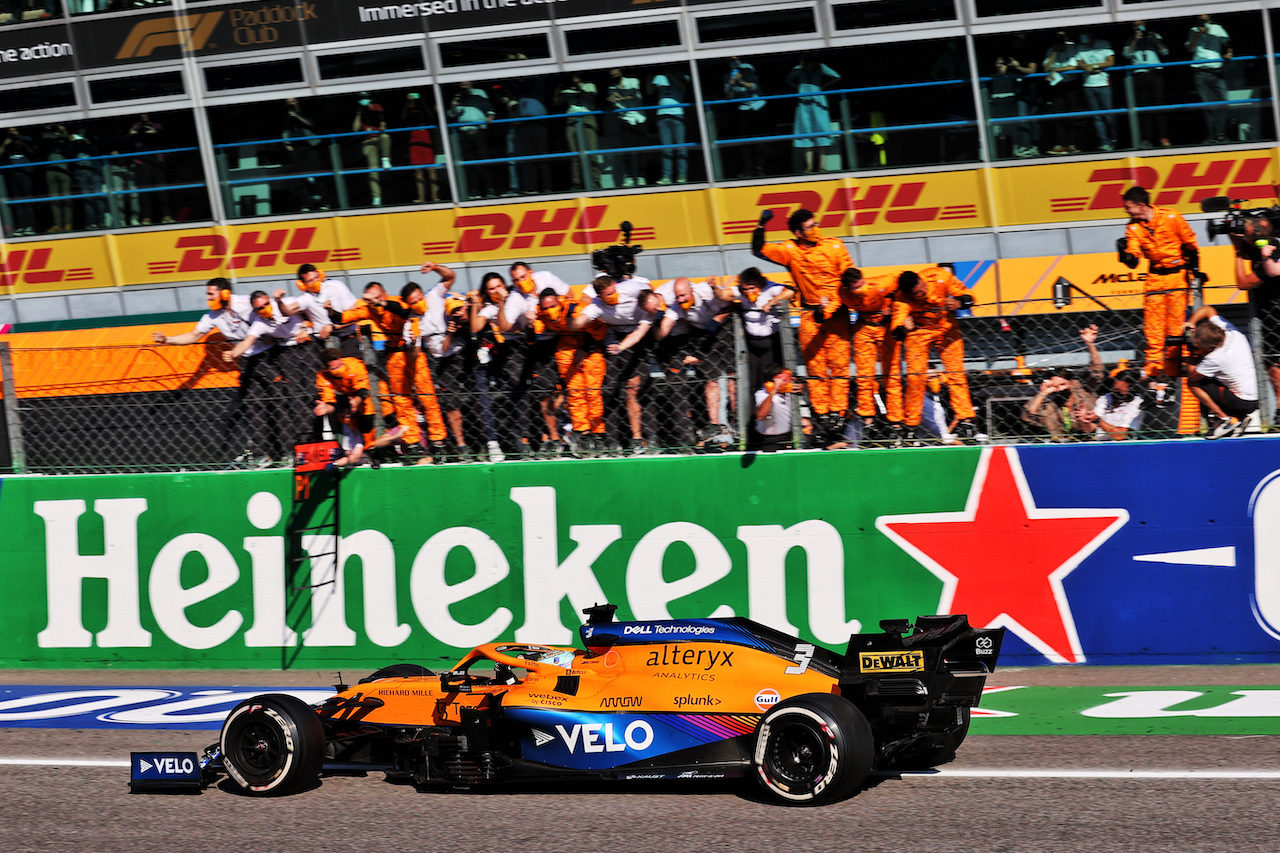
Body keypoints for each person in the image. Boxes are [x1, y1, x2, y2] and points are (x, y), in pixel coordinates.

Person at [753, 207, 854, 446]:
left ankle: (839, 412)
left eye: (816, 223)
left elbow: (849, 276)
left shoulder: (835, 245)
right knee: (815, 367)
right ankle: (822, 413)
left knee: (839, 366)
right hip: (810, 314)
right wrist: (760, 226)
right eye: (810, 227)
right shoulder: (790, 249)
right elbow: (758, 250)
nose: (815, 229)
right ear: (799, 232)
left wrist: (834, 305)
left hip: (837, 313)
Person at [328, 279, 447, 463]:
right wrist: (329, 310)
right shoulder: (368, 309)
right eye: (370, 300)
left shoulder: (397, 301)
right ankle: (412, 442)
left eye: (377, 298)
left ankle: (438, 441)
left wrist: (381, 303)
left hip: (413, 353)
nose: (373, 303)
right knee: (401, 400)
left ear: (383, 295)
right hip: (393, 357)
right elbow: (341, 318)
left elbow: (404, 311)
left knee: (427, 396)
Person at [890, 267, 981, 442]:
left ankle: (965, 419)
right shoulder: (901, 299)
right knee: (915, 378)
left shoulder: (939, 276)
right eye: (917, 293)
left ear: (921, 279)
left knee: (955, 372)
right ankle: (911, 423)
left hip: (945, 327)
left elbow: (969, 295)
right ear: (909, 294)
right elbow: (896, 330)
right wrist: (904, 328)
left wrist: (960, 303)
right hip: (919, 332)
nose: (923, 291)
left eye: (922, 287)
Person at [1118, 185, 1200, 380]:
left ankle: (1170, 375)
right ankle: (1154, 374)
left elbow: (1190, 245)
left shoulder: (1172, 217)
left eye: (1128, 207)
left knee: (1174, 329)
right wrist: (1123, 254)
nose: (1126, 211)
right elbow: (1134, 260)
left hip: (1178, 276)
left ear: (1140, 205)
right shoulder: (1133, 227)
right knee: (1153, 330)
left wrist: (1196, 271)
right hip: (1155, 278)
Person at [572, 274, 660, 453]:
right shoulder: (597, 306)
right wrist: (572, 318)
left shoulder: (632, 288)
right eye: (608, 295)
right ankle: (614, 440)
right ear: (600, 296)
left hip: (639, 334)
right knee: (611, 389)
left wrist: (654, 305)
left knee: (637, 389)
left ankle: (648, 437)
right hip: (614, 339)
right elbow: (578, 322)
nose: (613, 296)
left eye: (613, 291)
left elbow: (641, 329)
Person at [538, 286, 607, 456]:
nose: (549, 311)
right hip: (566, 348)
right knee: (575, 393)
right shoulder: (541, 314)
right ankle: (581, 431)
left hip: (589, 348)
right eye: (545, 308)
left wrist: (584, 350)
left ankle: (598, 432)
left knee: (592, 393)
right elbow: (536, 331)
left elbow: (600, 331)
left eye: (552, 306)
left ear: (559, 301)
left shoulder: (575, 309)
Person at [837, 267, 903, 441]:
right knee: (864, 377)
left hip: (886, 328)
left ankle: (896, 423)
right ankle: (868, 421)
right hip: (863, 328)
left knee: (892, 375)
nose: (861, 290)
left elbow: (904, 279)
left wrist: (893, 301)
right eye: (856, 288)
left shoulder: (882, 283)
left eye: (861, 284)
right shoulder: (842, 293)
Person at [1233, 214, 1280, 425]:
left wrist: (1237, 253)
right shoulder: (1274, 245)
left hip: (1275, 316)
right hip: (1271, 317)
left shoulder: (1269, 256)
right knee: (1273, 361)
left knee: (1274, 361)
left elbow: (1243, 282)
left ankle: (1279, 409)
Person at [1022, 325, 1105, 441]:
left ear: (1070, 382)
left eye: (1062, 385)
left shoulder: (1084, 390)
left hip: (1093, 439)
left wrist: (1090, 344)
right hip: (1061, 443)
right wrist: (1043, 393)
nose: (1060, 390)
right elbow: (1028, 415)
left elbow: (1097, 371)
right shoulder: (1050, 403)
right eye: (1055, 387)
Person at [1184, 305, 1258, 438]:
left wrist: (1191, 358)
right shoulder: (1231, 332)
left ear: (1209, 347)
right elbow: (1208, 309)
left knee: (1194, 384)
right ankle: (1240, 419)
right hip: (1253, 397)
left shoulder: (1215, 358)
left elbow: (1192, 377)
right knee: (1212, 378)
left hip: (1241, 401)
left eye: (1197, 346)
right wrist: (1191, 323)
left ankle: (1224, 419)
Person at [734, 267, 794, 391]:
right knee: (752, 379)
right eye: (745, 289)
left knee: (768, 376)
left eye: (752, 288)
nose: (749, 291)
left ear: (760, 284)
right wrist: (714, 288)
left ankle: (772, 404)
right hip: (752, 343)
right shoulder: (741, 292)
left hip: (771, 341)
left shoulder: (770, 288)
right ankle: (755, 407)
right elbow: (723, 295)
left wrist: (771, 302)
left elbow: (790, 292)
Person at [787, 56, 840, 174]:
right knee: (806, 133)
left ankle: (822, 166)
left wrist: (823, 87)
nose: (811, 65)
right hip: (803, 104)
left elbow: (837, 76)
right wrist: (799, 88)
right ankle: (809, 167)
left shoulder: (821, 67)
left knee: (822, 132)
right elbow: (789, 80)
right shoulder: (797, 69)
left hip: (818, 102)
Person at [1124, 21, 1171, 149]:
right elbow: (1126, 54)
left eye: (1141, 25)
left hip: (1155, 73)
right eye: (1136, 26)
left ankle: (1163, 137)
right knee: (1144, 108)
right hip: (1139, 75)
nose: (1139, 28)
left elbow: (1165, 52)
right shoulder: (1130, 39)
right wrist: (1135, 40)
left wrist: (1155, 40)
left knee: (1159, 106)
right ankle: (1147, 139)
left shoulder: (1155, 36)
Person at [1185, 14, 1232, 144]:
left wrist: (1229, 52)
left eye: (1205, 20)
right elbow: (1189, 48)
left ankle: (1220, 134)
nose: (1203, 23)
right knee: (1206, 105)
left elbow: (1227, 42)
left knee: (1224, 102)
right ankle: (1212, 135)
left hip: (1216, 71)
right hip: (1200, 72)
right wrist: (1198, 35)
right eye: (1200, 20)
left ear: (1210, 20)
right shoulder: (1193, 30)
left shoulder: (1217, 28)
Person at [449, 81, 496, 200]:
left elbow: (489, 108)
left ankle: (490, 189)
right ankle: (474, 191)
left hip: (478, 132)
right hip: (464, 134)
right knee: (470, 164)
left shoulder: (479, 93)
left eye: (467, 84)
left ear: (471, 84)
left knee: (484, 162)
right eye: (462, 85)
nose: (465, 86)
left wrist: (490, 116)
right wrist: (453, 105)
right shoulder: (458, 96)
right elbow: (452, 115)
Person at [282, 97, 329, 213]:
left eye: (292, 101)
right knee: (301, 177)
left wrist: (296, 115)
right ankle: (306, 204)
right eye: (288, 102)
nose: (290, 103)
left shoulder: (305, 111)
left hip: (311, 146)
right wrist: (287, 144)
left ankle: (324, 202)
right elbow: (285, 131)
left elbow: (310, 123)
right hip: (297, 148)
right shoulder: (287, 116)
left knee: (316, 174)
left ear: (297, 101)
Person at [720, 57, 765, 177]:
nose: (734, 63)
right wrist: (730, 85)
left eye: (736, 60)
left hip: (757, 106)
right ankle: (748, 169)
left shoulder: (747, 68)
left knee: (760, 139)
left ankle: (759, 168)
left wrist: (742, 82)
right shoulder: (726, 76)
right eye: (731, 61)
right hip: (743, 109)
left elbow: (754, 87)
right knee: (744, 141)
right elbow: (729, 97)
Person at [556, 73, 601, 191]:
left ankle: (595, 180)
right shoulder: (567, 89)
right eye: (572, 77)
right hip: (571, 119)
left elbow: (592, 99)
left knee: (591, 150)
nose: (574, 79)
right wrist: (558, 89)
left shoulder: (589, 85)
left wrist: (579, 88)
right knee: (574, 153)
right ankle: (577, 182)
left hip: (587, 117)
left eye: (576, 77)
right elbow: (557, 102)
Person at [1074, 367, 1143, 440]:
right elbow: (1091, 429)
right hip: (1100, 442)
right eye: (1114, 389)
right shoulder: (1106, 398)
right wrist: (1084, 419)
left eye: (1119, 391)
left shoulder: (1138, 404)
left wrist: (1098, 421)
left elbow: (1121, 436)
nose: (1115, 394)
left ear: (1131, 390)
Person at [605, 67, 647, 189]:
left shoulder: (633, 80)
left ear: (620, 71)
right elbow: (615, 104)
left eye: (615, 71)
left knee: (642, 149)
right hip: (625, 119)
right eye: (611, 74)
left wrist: (620, 97)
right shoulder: (611, 88)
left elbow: (633, 95)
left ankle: (641, 176)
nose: (614, 74)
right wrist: (613, 101)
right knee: (628, 150)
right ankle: (629, 177)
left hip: (640, 118)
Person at [1042, 31, 1082, 156]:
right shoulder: (1051, 50)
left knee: (1073, 115)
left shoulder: (1073, 47)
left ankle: (1071, 144)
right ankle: (1060, 144)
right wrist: (1055, 52)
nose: (1060, 39)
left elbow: (1073, 67)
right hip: (1058, 86)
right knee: (1058, 115)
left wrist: (1056, 69)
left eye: (1062, 37)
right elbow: (1046, 68)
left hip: (1072, 85)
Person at [648, 67, 689, 186]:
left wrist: (670, 75)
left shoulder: (682, 74)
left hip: (677, 114)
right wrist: (649, 77)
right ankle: (667, 176)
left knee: (681, 147)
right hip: (662, 115)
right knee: (666, 148)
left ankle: (682, 175)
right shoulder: (659, 77)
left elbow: (682, 86)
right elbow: (650, 91)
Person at [1075, 32, 1115, 153]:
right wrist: (1085, 67)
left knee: (1109, 114)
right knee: (1097, 117)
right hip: (1088, 85)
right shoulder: (1080, 47)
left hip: (1103, 84)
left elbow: (1110, 61)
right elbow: (1079, 63)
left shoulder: (1104, 44)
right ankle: (1104, 141)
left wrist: (1094, 65)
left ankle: (1114, 138)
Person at [128, 113, 171, 225]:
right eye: (141, 114)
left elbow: (163, 139)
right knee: (145, 190)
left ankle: (166, 215)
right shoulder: (136, 126)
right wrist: (131, 134)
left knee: (162, 189)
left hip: (157, 159)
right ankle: (147, 217)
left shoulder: (157, 125)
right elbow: (129, 142)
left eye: (145, 113)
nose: (144, 116)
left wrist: (154, 133)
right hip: (141, 160)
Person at [353, 93, 391, 206]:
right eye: (361, 99)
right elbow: (355, 129)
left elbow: (383, 126)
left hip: (379, 137)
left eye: (365, 99)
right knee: (373, 172)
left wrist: (375, 118)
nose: (363, 101)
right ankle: (377, 198)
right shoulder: (360, 112)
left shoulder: (377, 107)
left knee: (386, 137)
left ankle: (385, 158)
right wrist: (359, 113)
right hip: (368, 142)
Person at [401, 92, 439, 204]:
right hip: (414, 137)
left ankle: (435, 196)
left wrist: (422, 100)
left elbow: (432, 116)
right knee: (418, 171)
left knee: (431, 170)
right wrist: (408, 102)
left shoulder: (424, 105)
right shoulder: (410, 106)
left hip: (427, 136)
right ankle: (421, 197)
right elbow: (403, 117)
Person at [1, 126, 38, 236]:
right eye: (10, 131)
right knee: (18, 203)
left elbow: (34, 153)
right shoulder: (7, 142)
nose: (12, 133)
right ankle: (22, 226)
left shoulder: (25, 139)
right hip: (13, 175)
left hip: (26, 174)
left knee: (27, 201)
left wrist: (22, 143)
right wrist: (4, 144)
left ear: (18, 131)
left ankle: (30, 226)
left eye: (14, 130)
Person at [752, 363, 796, 452]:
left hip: (790, 436)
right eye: (784, 380)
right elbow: (761, 416)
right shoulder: (762, 394)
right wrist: (773, 391)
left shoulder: (791, 392)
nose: (789, 382)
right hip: (770, 440)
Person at [40, 124, 73, 233]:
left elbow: (70, 145)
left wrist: (64, 131)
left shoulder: (64, 138)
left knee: (66, 198)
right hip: (51, 171)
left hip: (64, 171)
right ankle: (58, 224)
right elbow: (43, 143)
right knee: (54, 199)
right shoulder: (47, 138)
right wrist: (47, 128)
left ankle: (68, 224)